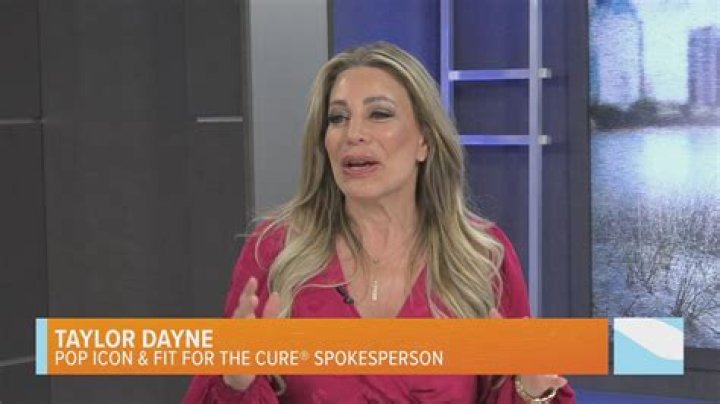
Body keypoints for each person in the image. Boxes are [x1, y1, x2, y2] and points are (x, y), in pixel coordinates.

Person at [183, 41, 575, 403]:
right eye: (337, 118)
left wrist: (532, 391)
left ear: (424, 141)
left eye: (379, 114)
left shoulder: (481, 256)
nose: (353, 134)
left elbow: (521, 388)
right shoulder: (276, 250)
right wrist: (236, 382)